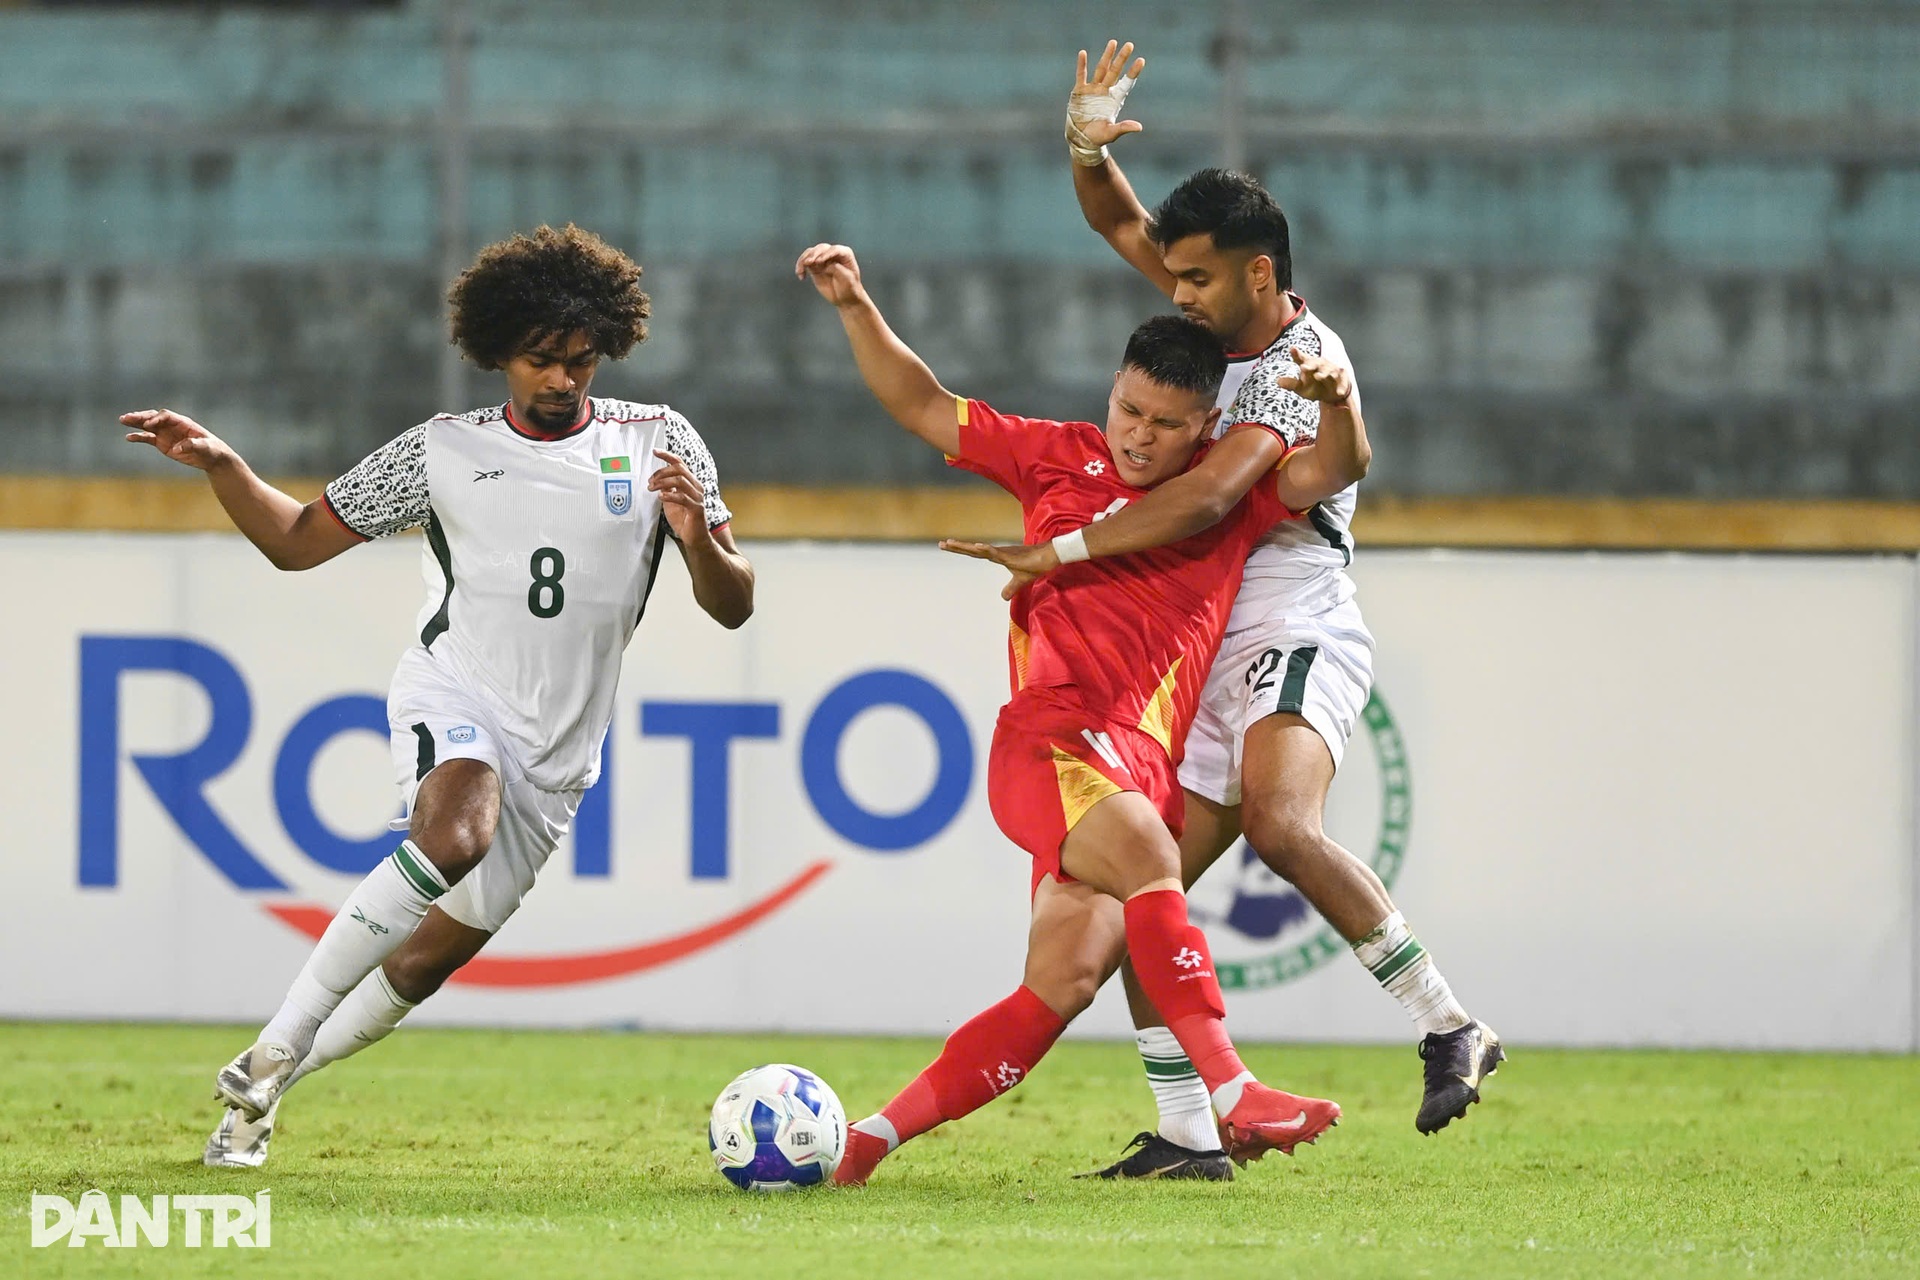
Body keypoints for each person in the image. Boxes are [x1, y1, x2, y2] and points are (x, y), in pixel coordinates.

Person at [970, 41, 1501, 1178]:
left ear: (1259, 276)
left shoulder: (1297, 365)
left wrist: (1056, 550)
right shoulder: (1211, 333)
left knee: (1280, 821)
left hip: (1293, 617)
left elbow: (1207, 498)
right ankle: (1189, 1132)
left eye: (1198, 281)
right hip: (1202, 643)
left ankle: (1448, 1021)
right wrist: (1082, 136)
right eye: (1176, 280)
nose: (1176, 294)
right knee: (1136, 885)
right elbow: (1119, 221)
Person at [122, 224, 754, 1168]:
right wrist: (225, 467)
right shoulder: (441, 451)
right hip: (456, 689)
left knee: (421, 963)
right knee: (455, 831)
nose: (563, 380)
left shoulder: (663, 441)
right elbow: (296, 540)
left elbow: (735, 607)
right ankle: (281, 1040)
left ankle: (259, 1093)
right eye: (542, 360)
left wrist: (698, 537)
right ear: (498, 351)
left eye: (581, 360)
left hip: (562, 754)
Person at [795, 241, 1364, 1186]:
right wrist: (856, 305)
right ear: (1112, 390)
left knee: (1060, 985)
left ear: (1204, 427)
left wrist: (1338, 398)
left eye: (1167, 424)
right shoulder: (1053, 456)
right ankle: (1232, 1095)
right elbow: (925, 403)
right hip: (1051, 743)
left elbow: (1334, 468)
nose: (1139, 436)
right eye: (1129, 409)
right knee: (1151, 857)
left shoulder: (1230, 491)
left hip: (1136, 768)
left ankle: (863, 1144)